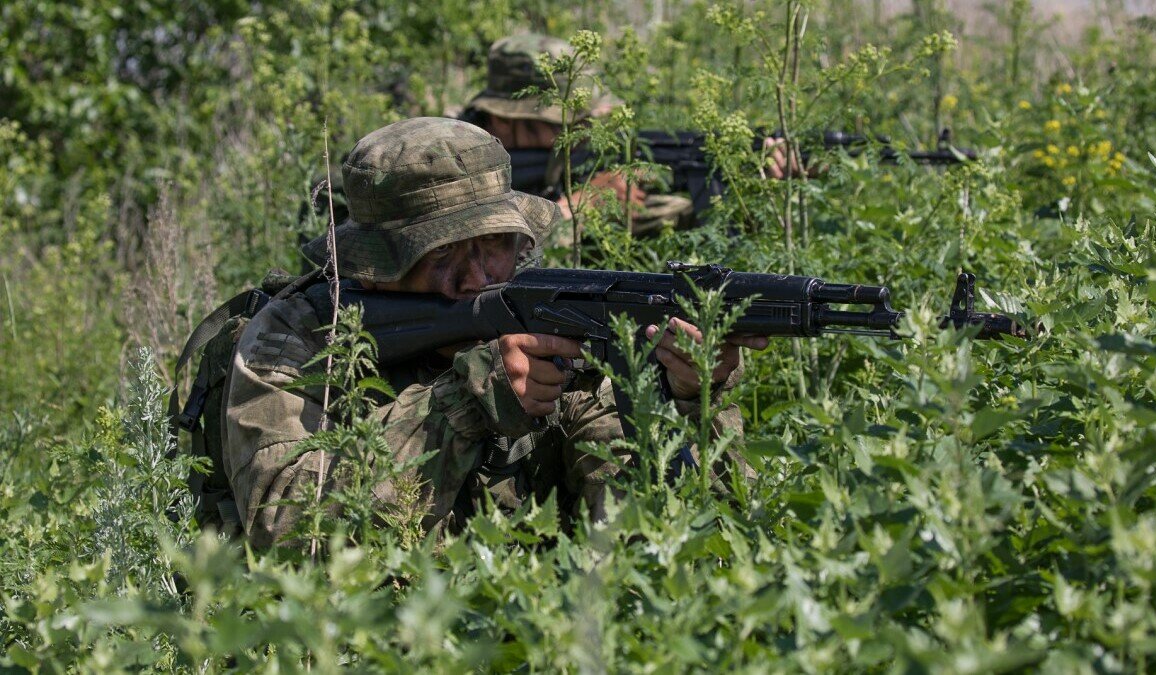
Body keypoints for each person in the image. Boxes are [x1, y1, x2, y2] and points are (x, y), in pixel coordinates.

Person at [224, 117, 765, 548]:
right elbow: (287, 532)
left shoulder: (544, 320)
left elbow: (663, 528)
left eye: (496, 245)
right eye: (442, 254)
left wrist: (690, 402)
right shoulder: (299, 337)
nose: (479, 278)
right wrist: (462, 403)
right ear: (374, 266)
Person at [459, 33, 799, 234]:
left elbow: (678, 217)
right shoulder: (447, 162)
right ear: (502, 118)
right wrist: (575, 209)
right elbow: (479, 255)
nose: (578, 138)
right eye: (560, 126)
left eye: (584, 124)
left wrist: (752, 184)